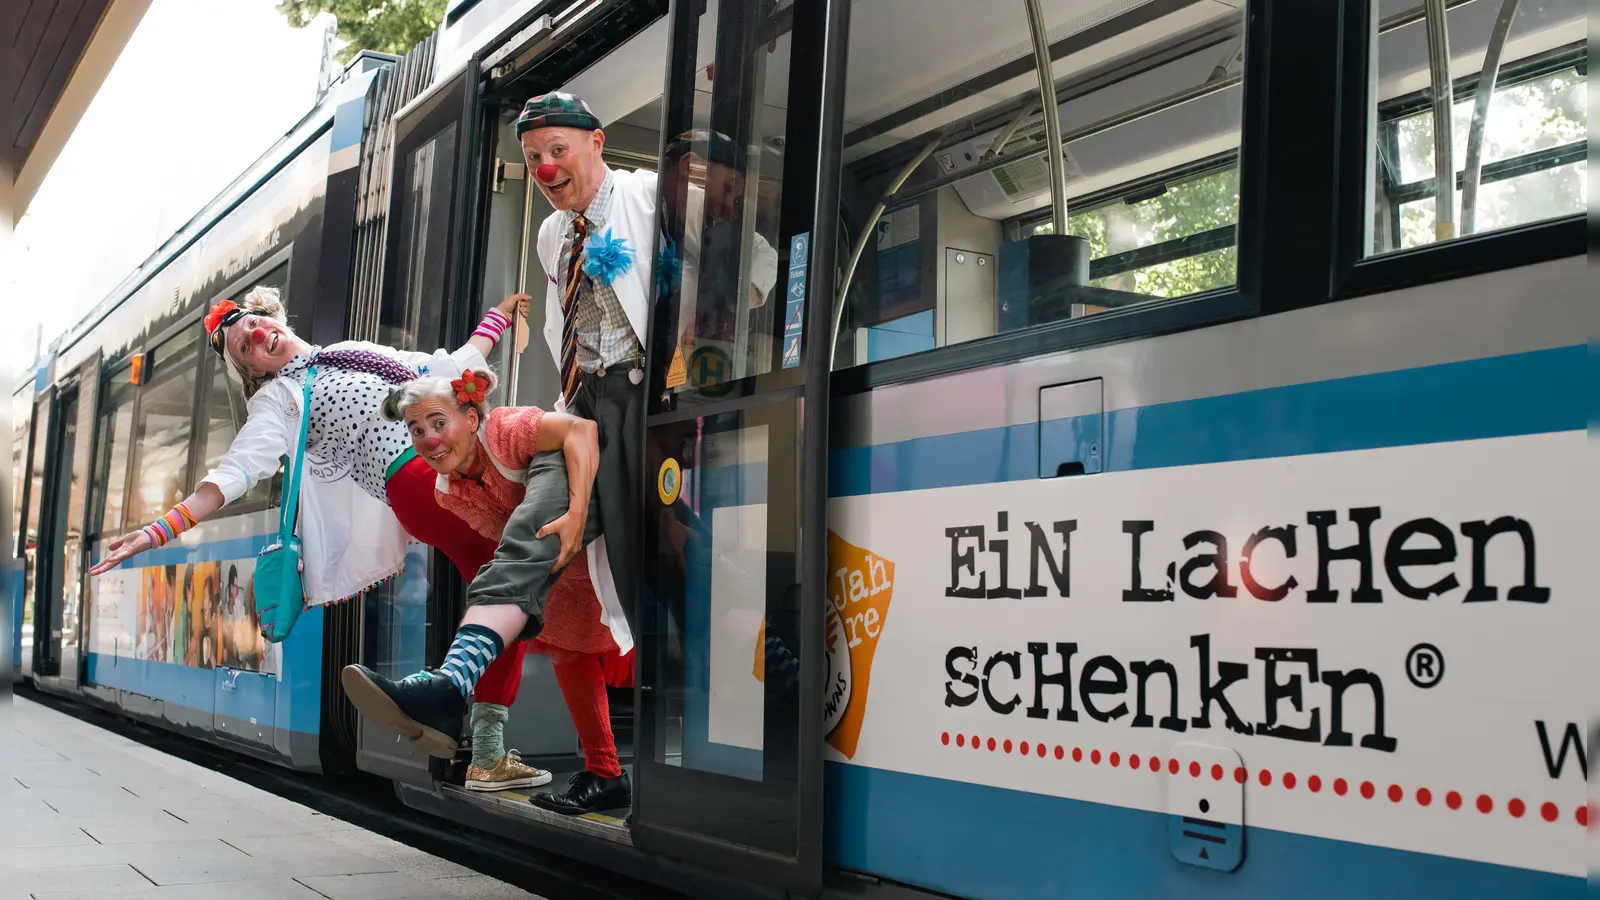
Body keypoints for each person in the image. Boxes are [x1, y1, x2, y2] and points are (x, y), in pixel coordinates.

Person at [88, 286, 548, 792]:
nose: (259, 336)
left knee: (506, 595)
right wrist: (159, 530)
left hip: (435, 477)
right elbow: (239, 469)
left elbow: (439, 369)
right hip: (421, 479)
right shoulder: (279, 397)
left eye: (257, 325)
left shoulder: (345, 354)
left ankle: (482, 746)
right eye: (246, 346)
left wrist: (496, 321)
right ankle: (449, 702)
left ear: (273, 320)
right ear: (253, 370)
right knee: (519, 575)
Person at [512, 94, 780, 813]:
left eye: (558, 149)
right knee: (541, 536)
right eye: (534, 155)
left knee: (652, 567)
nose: (545, 166)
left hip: (645, 401)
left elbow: (751, 253)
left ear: (596, 143)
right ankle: (468, 674)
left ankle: (705, 743)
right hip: (583, 407)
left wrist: (718, 308)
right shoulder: (549, 236)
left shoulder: (642, 195)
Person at [340, 368, 626, 805]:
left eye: (439, 423)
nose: (429, 440)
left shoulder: (507, 430)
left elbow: (582, 431)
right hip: (566, 558)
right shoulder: (447, 492)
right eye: (416, 430)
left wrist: (576, 514)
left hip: (601, 513)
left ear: (471, 419)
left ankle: (449, 685)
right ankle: (605, 773)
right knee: (568, 645)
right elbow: (502, 540)